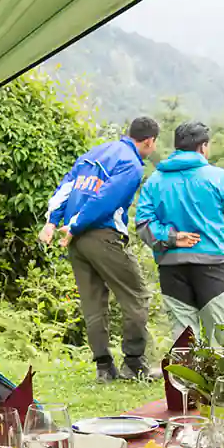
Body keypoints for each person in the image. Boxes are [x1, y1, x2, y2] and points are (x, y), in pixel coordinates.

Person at [40, 117, 157, 383]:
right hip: (101, 234)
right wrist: (76, 224)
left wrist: (52, 222)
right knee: (136, 295)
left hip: (75, 240)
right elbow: (105, 200)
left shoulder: (93, 153)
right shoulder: (131, 164)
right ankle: (134, 363)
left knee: (93, 302)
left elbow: (67, 186)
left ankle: (104, 368)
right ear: (149, 141)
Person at [135, 120, 224, 345]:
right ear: (203, 147)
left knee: (184, 337)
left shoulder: (154, 181)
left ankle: (184, 370)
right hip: (212, 264)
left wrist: (172, 237)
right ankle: (221, 370)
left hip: (171, 266)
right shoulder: (218, 177)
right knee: (221, 333)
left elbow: (143, 223)